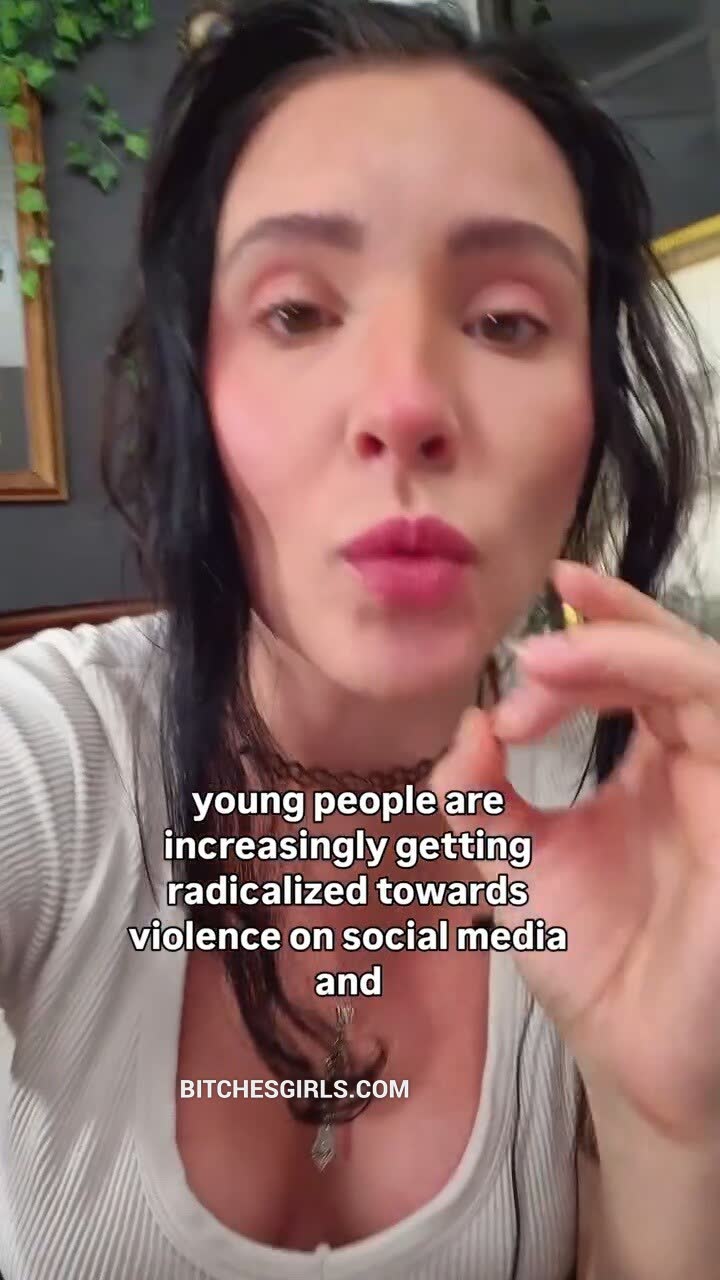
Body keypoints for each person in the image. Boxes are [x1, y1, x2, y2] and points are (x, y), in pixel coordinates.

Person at [1, 0, 719, 1276]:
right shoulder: (50, 760)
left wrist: (673, 1125)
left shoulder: (625, 833)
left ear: (593, 417)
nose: (405, 402)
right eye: (295, 311)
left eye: (505, 320)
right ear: (195, 395)